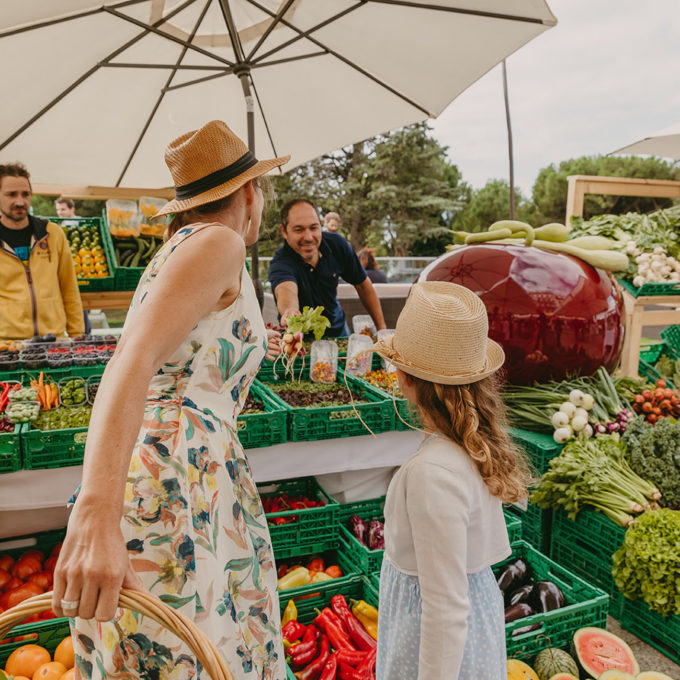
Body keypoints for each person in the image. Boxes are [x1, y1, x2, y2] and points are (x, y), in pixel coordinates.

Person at [51, 120, 290, 680]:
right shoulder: (219, 241)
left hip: (186, 466)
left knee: (174, 652)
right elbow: (128, 362)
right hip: (178, 474)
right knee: (184, 653)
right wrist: (94, 513)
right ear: (249, 193)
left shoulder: (186, 247)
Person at [372, 281, 530, 680]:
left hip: (435, 649)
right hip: (470, 627)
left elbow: (444, 607)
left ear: (405, 379)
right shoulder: (472, 447)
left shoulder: (431, 474)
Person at [268, 198, 386, 336]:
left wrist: (382, 329)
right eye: (299, 229)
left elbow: (363, 285)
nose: (308, 237)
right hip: (300, 339)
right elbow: (286, 290)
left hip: (339, 332)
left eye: (313, 227)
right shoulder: (280, 263)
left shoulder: (337, 244)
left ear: (321, 225)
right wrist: (290, 311)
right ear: (284, 231)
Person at [0, 163, 84, 340]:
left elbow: (69, 287)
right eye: (11, 194)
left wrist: (77, 335)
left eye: (25, 194)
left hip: (53, 342)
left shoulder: (52, 233)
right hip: (7, 347)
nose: (20, 201)